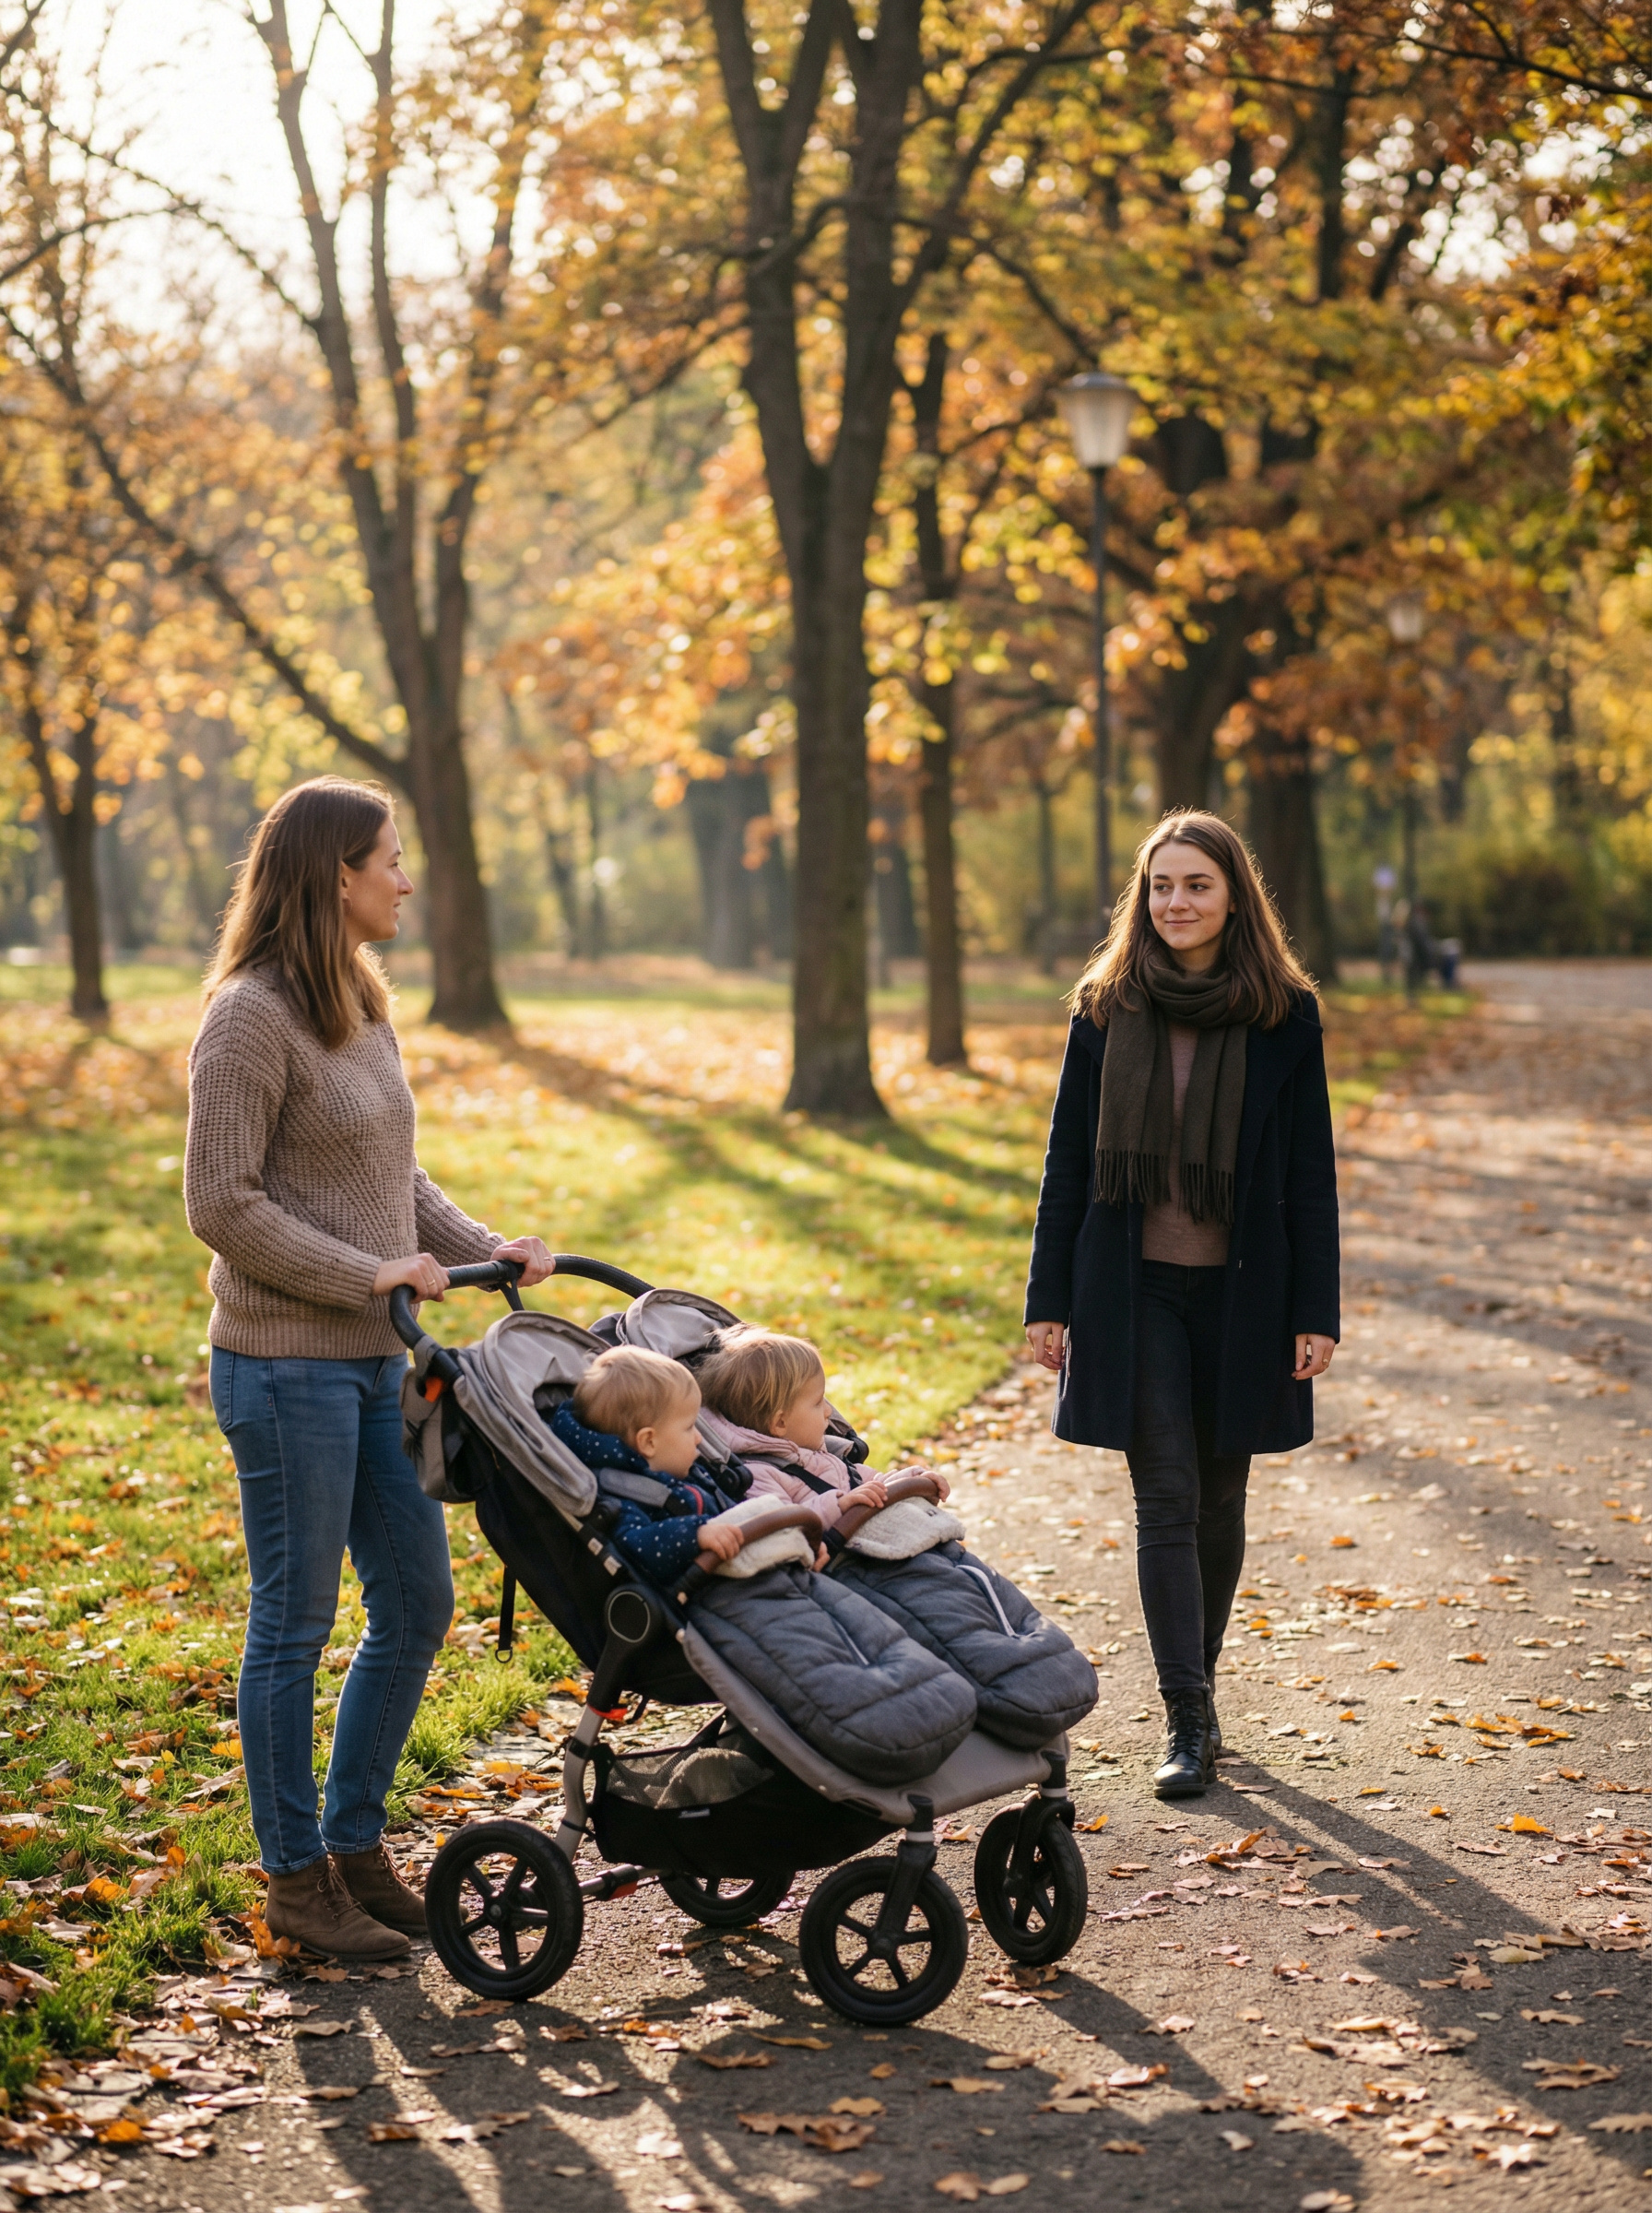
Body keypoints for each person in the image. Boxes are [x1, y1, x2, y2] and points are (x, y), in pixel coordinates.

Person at [184, 776, 554, 1959]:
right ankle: (295, 1884)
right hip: (283, 1363)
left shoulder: (361, 995)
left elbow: (392, 1176)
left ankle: (351, 1847)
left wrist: (479, 1248)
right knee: (290, 1628)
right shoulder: (249, 1014)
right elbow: (220, 1203)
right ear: (336, 871)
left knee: (418, 1601)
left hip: (370, 1364)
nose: (405, 879)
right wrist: (372, 1277)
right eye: (391, 859)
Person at [1022, 811, 1339, 1799]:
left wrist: (1314, 1309)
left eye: (1195, 885)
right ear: (1141, 896)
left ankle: (1195, 1686)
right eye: (1160, 886)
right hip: (1131, 1289)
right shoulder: (1104, 1008)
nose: (1175, 904)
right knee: (1163, 1493)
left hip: (1248, 1290)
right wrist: (1047, 1300)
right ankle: (1187, 1714)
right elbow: (1067, 1163)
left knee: (1220, 1496)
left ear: (1233, 895)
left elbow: (1309, 1172)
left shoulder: (1284, 1015)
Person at [696, 1327, 945, 1526]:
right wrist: (839, 1506)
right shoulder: (761, 1474)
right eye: (817, 1403)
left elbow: (876, 1485)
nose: (829, 1411)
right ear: (780, 1423)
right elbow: (783, 1525)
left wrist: (914, 1480)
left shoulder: (825, 1457)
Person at [550, 1346, 749, 1580]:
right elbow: (637, 1545)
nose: (699, 1438)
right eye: (689, 1427)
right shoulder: (622, 1496)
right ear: (648, 1442)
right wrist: (695, 1535)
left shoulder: (683, 1471)